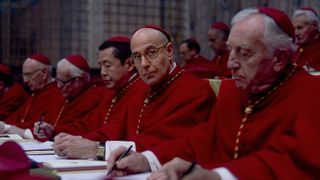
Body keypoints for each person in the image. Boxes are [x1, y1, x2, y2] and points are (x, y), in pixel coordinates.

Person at [143, 7, 320, 179]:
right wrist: (148, 159)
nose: (230, 64)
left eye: (243, 52)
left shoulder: (311, 94)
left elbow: (296, 162)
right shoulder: (233, 90)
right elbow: (206, 139)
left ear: (279, 58)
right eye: (230, 50)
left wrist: (219, 176)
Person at [53, 26, 216, 162]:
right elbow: (111, 130)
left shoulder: (195, 90)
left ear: (169, 51)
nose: (144, 64)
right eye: (137, 57)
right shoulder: (141, 91)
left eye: (151, 52)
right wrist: (77, 141)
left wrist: (97, 150)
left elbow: (163, 143)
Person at [51, 36, 140, 158]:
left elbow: (112, 133)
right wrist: (57, 132)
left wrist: (80, 142)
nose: (102, 72)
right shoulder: (115, 91)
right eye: (100, 66)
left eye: (108, 65)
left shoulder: (140, 90)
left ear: (129, 64)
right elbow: (88, 124)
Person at [32, 55, 104, 141]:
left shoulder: (94, 97)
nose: (58, 86)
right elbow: (47, 121)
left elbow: (82, 129)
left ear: (81, 79)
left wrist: (53, 131)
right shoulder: (63, 95)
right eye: (57, 80)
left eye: (63, 82)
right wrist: (41, 129)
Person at [1, 54, 62, 139]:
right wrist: (5, 125)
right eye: (23, 75)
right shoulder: (35, 92)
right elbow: (18, 117)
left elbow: (44, 124)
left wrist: (8, 127)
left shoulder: (58, 92)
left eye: (29, 75)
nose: (25, 80)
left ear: (44, 73)